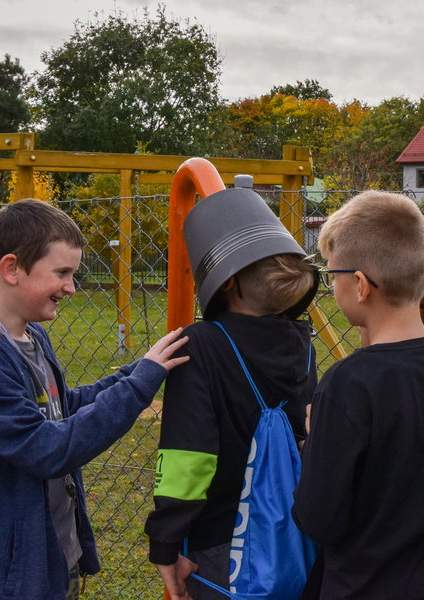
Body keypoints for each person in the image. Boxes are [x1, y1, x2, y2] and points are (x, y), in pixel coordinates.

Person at [0, 198, 190, 600]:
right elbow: (45, 448)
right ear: (12, 268)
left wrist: (137, 370)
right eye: (62, 273)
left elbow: (62, 408)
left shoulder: (31, 336)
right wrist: (137, 387)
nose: (71, 287)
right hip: (0, 578)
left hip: (45, 557)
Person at [293, 190, 424, 600]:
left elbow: (318, 518)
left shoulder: (347, 383)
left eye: (331, 275)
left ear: (359, 285)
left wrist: (315, 440)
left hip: (367, 586)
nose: (331, 285)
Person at [145, 187, 319, 600]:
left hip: (220, 542)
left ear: (226, 282)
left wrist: (167, 543)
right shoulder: (302, 342)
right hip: (290, 534)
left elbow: (188, 457)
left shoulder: (201, 344)